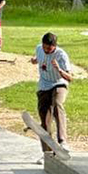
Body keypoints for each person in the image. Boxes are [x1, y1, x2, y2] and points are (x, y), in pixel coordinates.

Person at [30, 33, 73, 164]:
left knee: (57, 104)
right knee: (45, 119)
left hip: (59, 83)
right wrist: (34, 60)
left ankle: (62, 141)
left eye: (49, 49)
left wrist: (59, 69)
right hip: (44, 85)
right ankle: (47, 153)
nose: (47, 51)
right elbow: (38, 57)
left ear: (55, 46)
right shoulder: (39, 49)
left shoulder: (61, 55)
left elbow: (70, 78)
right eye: (45, 48)